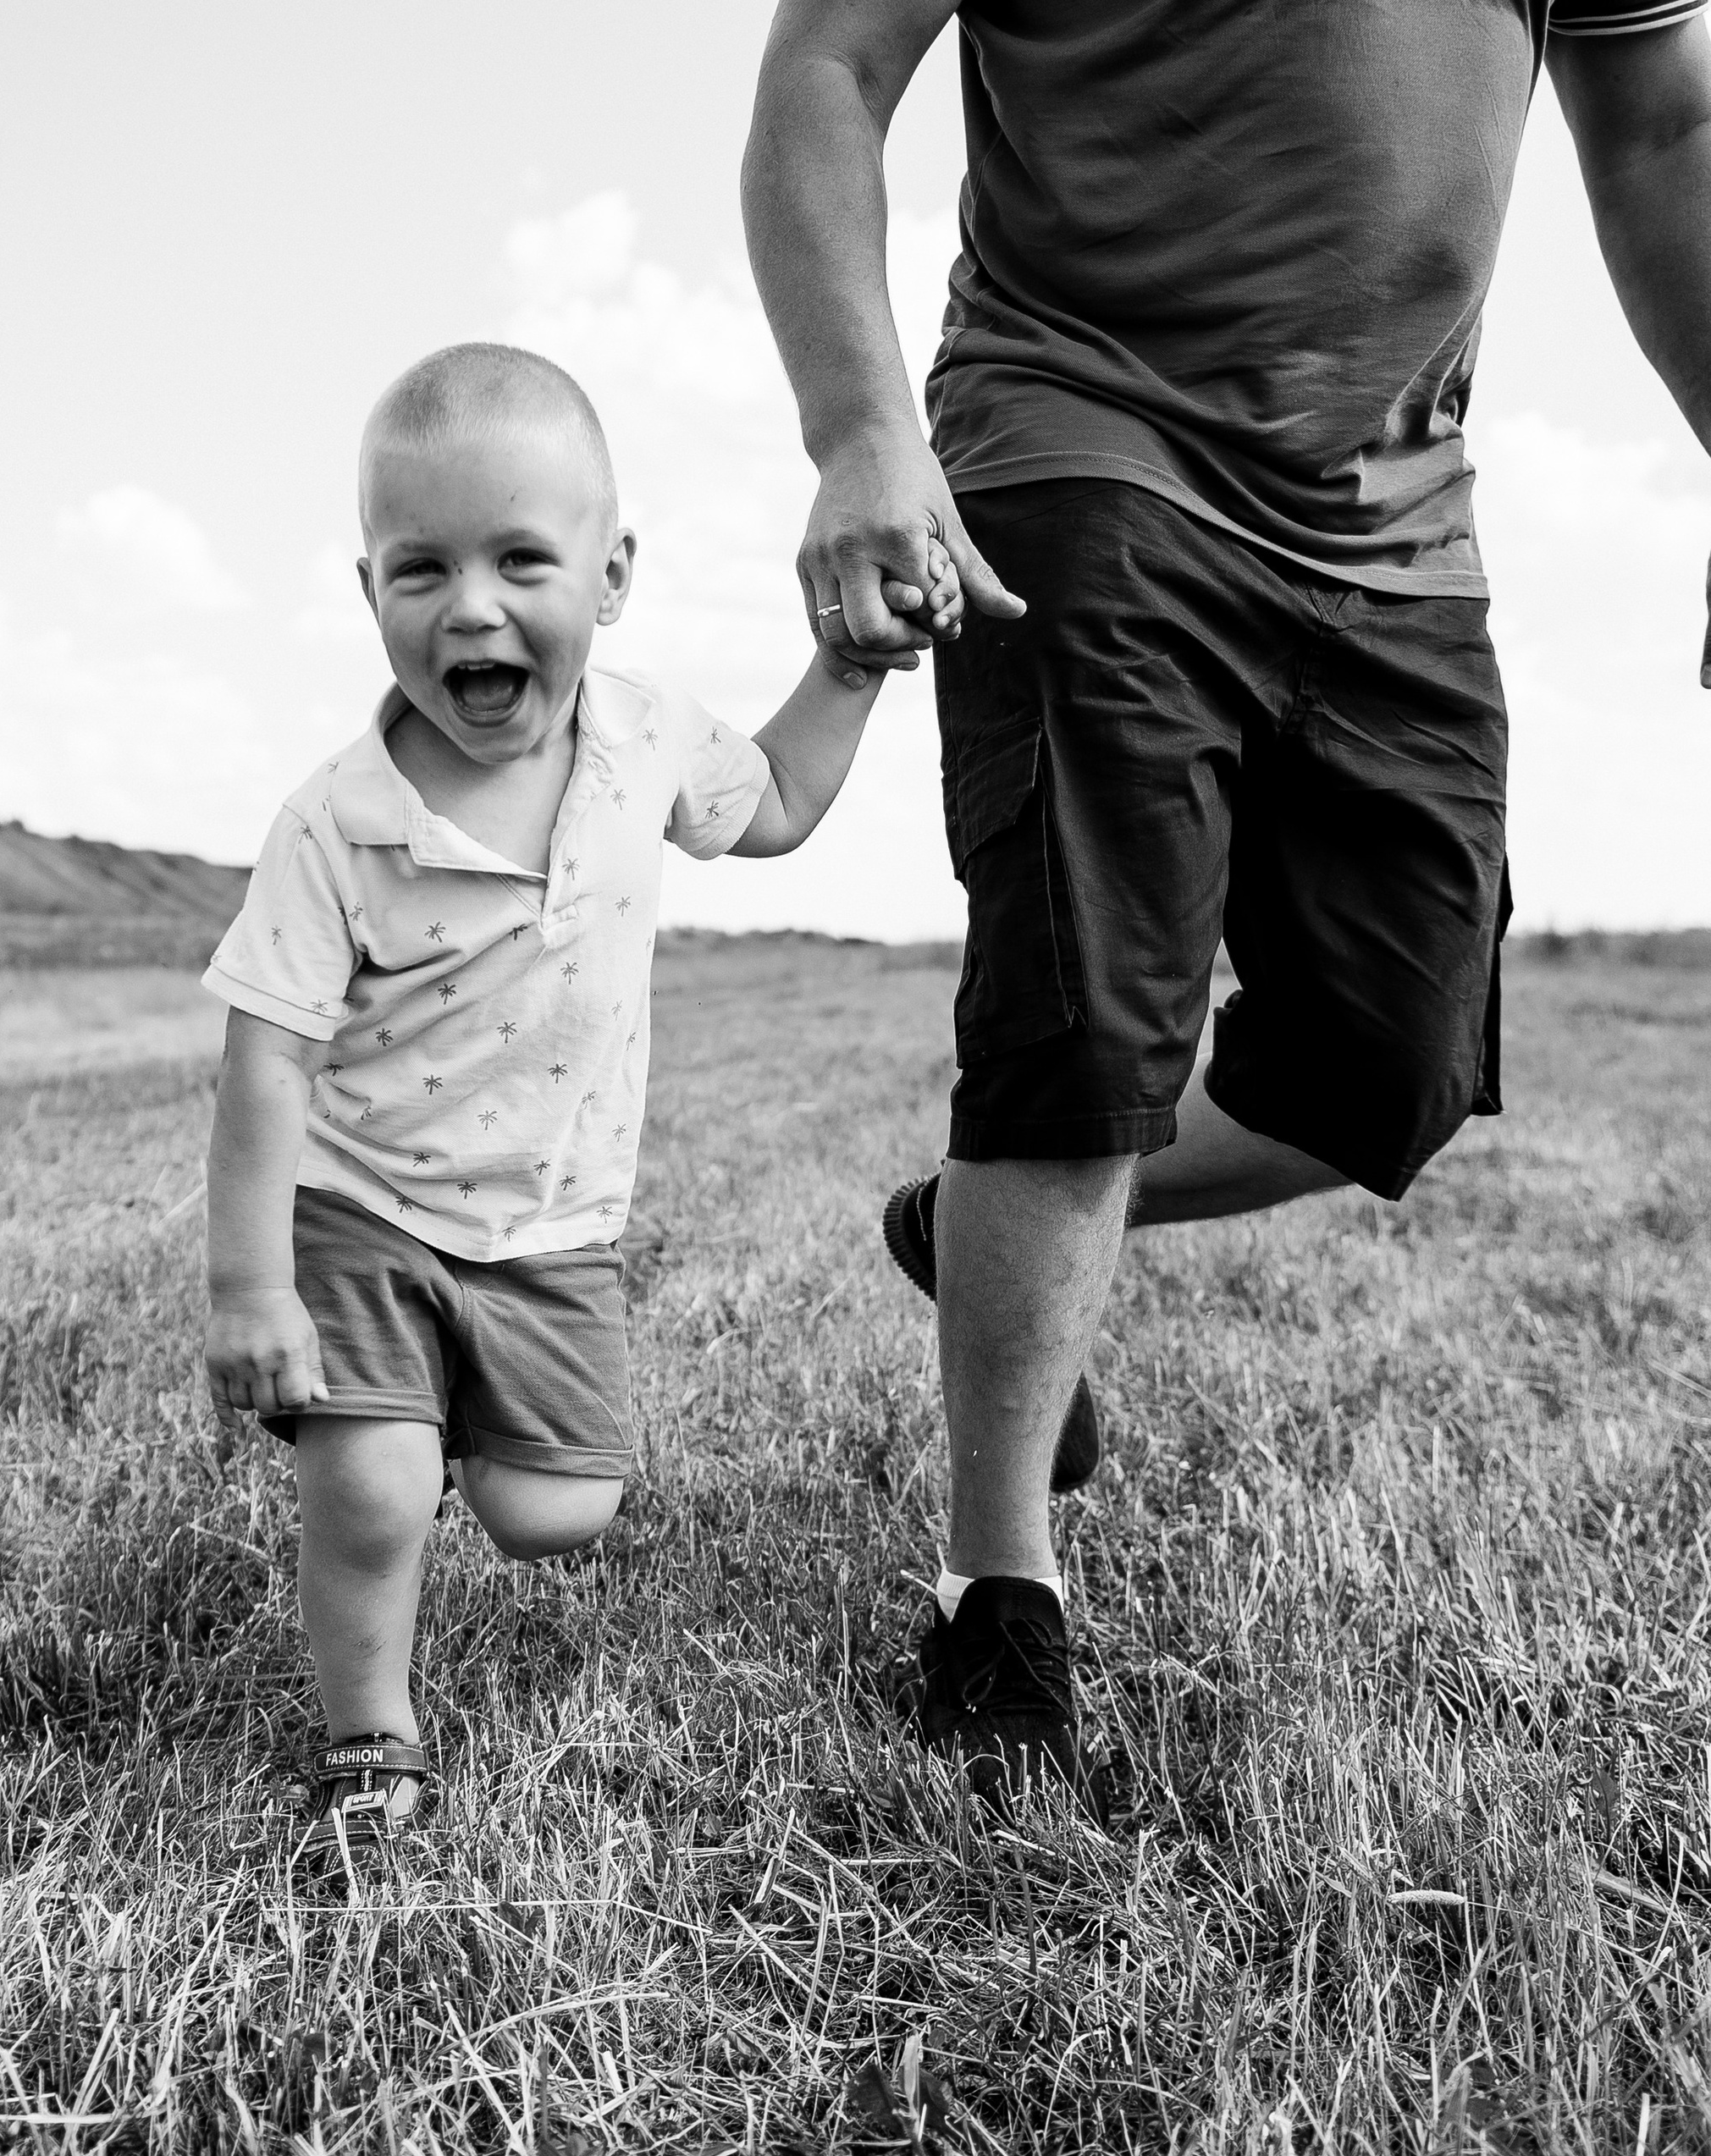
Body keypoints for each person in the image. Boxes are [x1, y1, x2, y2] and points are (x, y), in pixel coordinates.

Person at [742, 0, 1711, 1808]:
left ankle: (967, 1236)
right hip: (1070, 443)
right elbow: (825, 68)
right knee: (1085, 1025)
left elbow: (1658, 133)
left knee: (1389, 1061)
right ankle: (994, 1584)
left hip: (1392, 522)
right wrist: (857, 427)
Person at [199, 343, 957, 1861]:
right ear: (370, 595)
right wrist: (251, 1287)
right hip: (363, 1201)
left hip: (555, 1225)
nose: (470, 607)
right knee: (378, 1487)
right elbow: (264, 1060)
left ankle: (464, 1422)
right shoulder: (336, 823)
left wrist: (857, 666)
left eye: (519, 561)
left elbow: (785, 808)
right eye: (421, 569)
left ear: (609, 578)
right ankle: (370, 1734)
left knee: (556, 1515)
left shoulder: (645, 739)